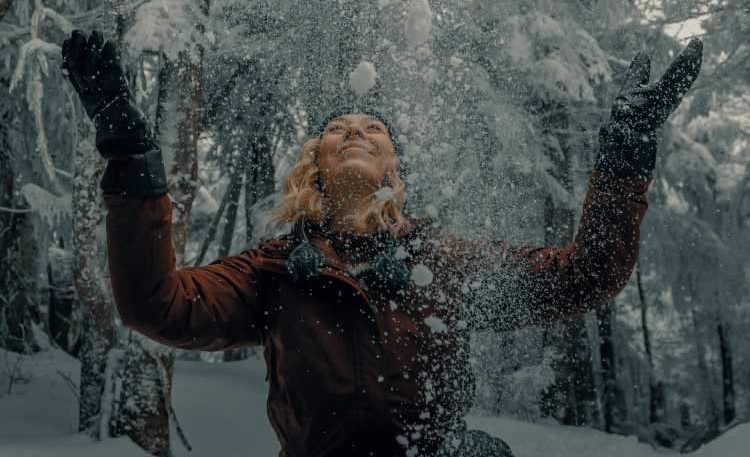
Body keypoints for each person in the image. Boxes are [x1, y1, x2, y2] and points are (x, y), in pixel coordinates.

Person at [61, 30, 703, 457]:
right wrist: (130, 155)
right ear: (314, 163)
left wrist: (625, 156)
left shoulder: (445, 265)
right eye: (337, 129)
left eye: (372, 127)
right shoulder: (273, 272)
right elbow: (157, 305)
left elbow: (585, 276)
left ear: (394, 165)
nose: (355, 132)